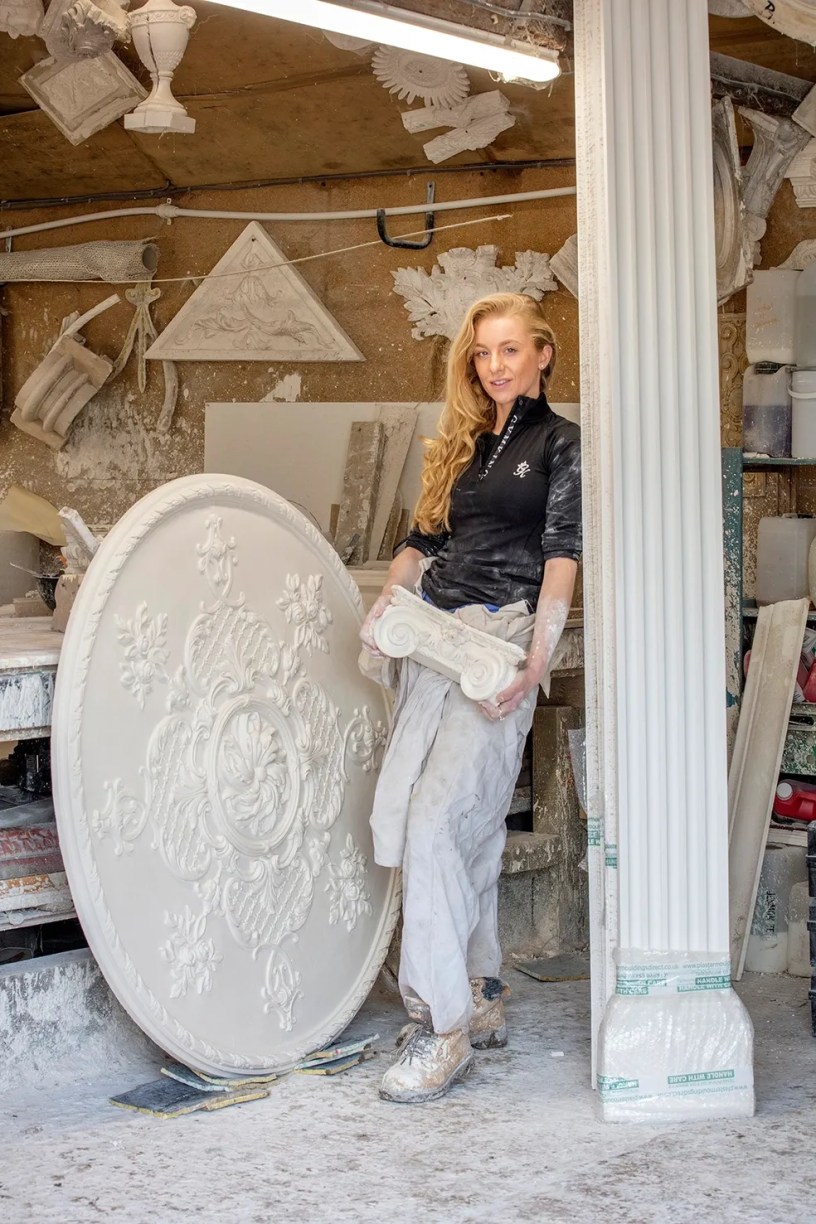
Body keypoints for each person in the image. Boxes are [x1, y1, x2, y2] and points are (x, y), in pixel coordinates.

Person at [359, 291, 582, 1104]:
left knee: (434, 820)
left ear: (543, 353)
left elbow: (562, 557)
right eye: (482, 353)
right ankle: (481, 991)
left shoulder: (561, 443)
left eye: (510, 349)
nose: (494, 365)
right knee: (463, 823)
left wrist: (534, 662)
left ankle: (441, 1026)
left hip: (499, 648)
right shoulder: (460, 441)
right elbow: (421, 542)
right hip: (434, 640)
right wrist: (387, 605)